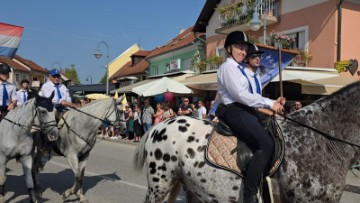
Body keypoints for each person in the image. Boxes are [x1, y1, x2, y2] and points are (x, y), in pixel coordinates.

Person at [217, 31, 283, 203]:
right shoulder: (227, 68)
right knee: (266, 143)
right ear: (229, 49)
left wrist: (273, 103)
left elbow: (250, 95)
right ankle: (250, 194)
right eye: (240, 47)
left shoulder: (240, 69)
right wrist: (270, 104)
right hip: (233, 109)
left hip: (244, 109)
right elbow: (240, 94)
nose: (243, 52)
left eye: (245, 49)